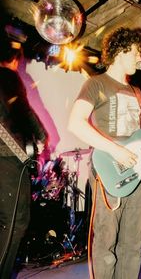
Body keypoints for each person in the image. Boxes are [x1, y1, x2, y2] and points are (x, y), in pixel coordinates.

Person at [68, 27, 141, 279]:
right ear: (121, 51)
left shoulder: (137, 92)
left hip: (137, 174)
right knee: (106, 241)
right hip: (109, 169)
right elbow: (75, 122)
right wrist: (115, 149)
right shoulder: (96, 83)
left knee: (133, 244)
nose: (140, 61)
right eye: (136, 54)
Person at [0, 38, 48, 279]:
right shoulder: (7, 76)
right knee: (16, 221)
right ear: (14, 60)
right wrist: (42, 137)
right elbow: (24, 110)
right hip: (8, 157)